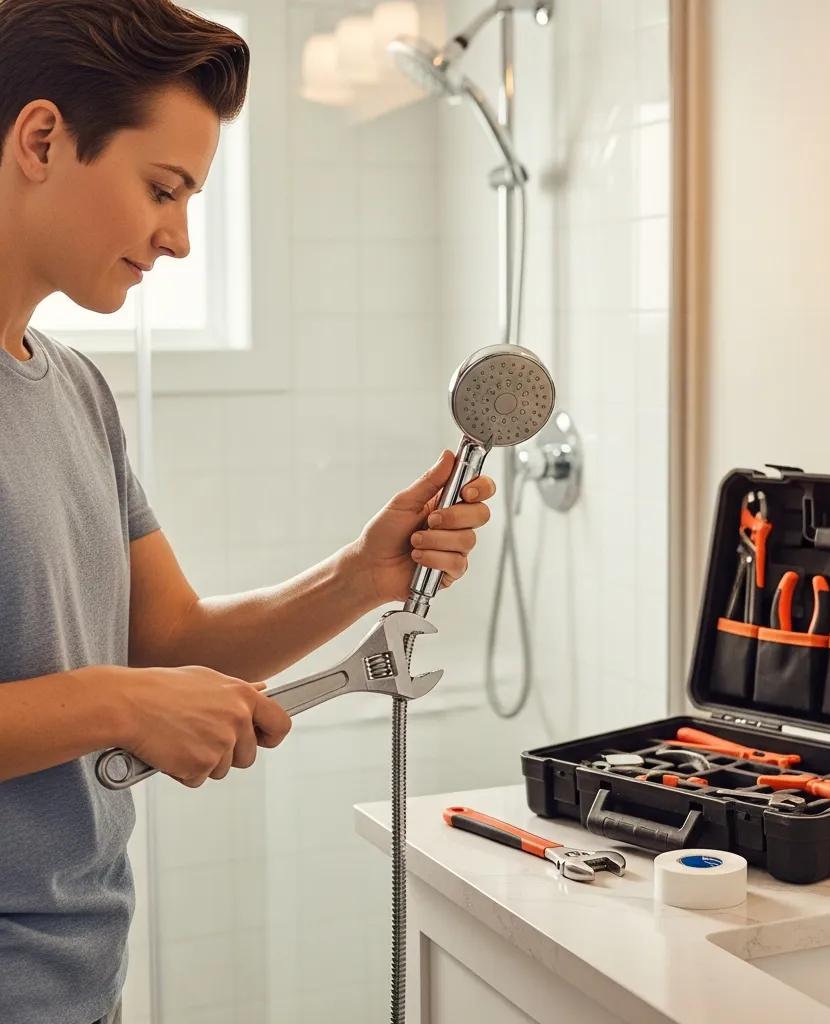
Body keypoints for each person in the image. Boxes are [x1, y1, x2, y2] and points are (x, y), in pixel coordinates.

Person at [0, 2, 497, 1022]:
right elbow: (133, 683)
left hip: (81, 975)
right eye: (162, 189)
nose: (179, 239)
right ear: (41, 140)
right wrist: (120, 705)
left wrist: (361, 574)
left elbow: (172, 639)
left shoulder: (78, 391)